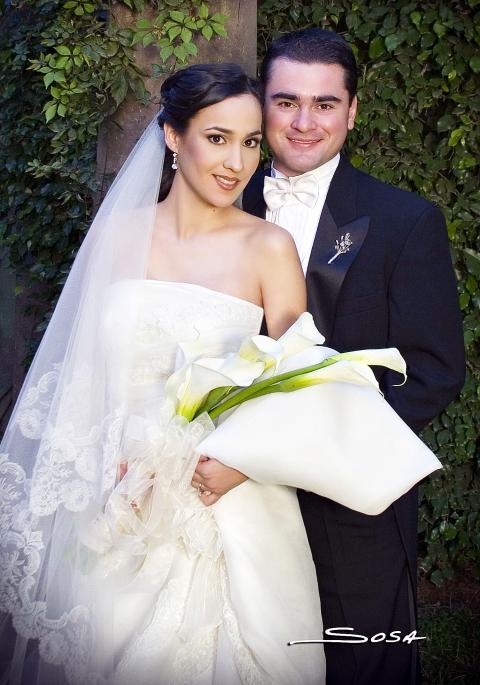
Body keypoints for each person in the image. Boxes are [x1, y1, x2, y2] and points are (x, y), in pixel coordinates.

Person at [0, 63, 325, 684]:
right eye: (217, 137)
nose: (236, 162)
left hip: (225, 495)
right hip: (118, 494)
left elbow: (297, 382)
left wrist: (240, 462)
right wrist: (105, 462)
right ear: (174, 137)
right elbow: (81, 372)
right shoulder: (118, 237)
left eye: (251, 142)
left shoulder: (269, 248)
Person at [195, 29, 465, 684]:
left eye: (324, 103)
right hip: (223, 501)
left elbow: (430, 373)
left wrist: (302, 453)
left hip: (350, 506)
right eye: (286, 102)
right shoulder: (209, 206)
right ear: (262, 103)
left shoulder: (406, 221)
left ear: (353, 110)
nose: (304, 121)